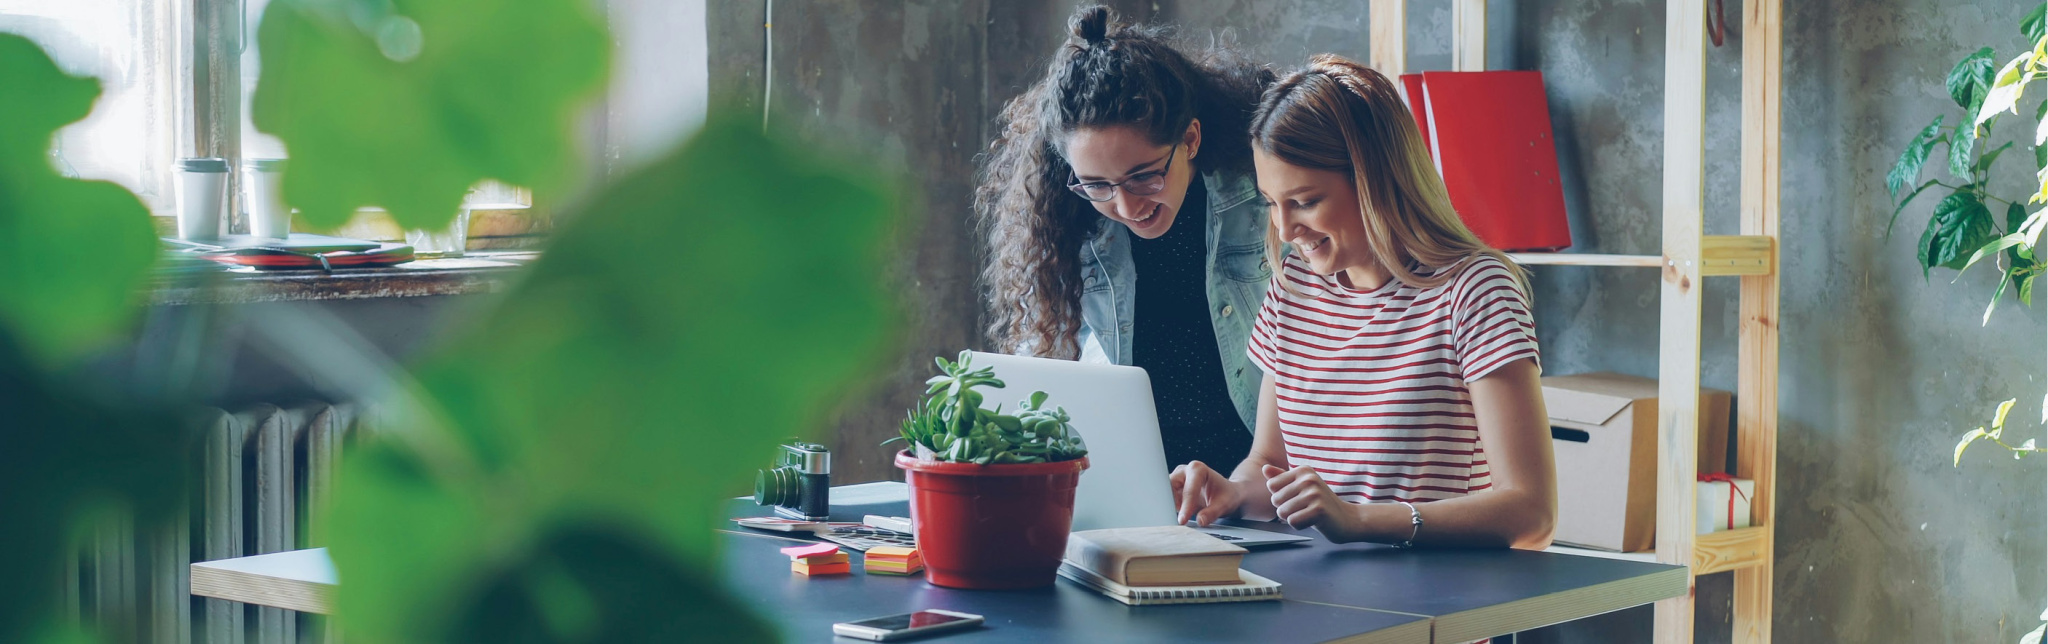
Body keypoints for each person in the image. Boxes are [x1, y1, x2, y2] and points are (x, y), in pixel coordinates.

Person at [1169, 55, 1557, 548]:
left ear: (1375, 179)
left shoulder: (1474, 290)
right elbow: (1271, 463)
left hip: (1429, 613)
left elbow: (1532, 511)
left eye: (1305, 201)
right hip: (1312, 600)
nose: (1285, 230)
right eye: (1272, 202)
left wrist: (1358, 520)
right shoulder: (1294, 285)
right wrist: (1235, 492)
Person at [976, 5, 1274, 472]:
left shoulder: (1262, 193)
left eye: (1144, 176)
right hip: (1135, 480)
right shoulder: (1063, 222)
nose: (1126, 206)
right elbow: (1042, 375)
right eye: (1097, 184)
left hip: (1262, 475)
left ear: (1190, 140)